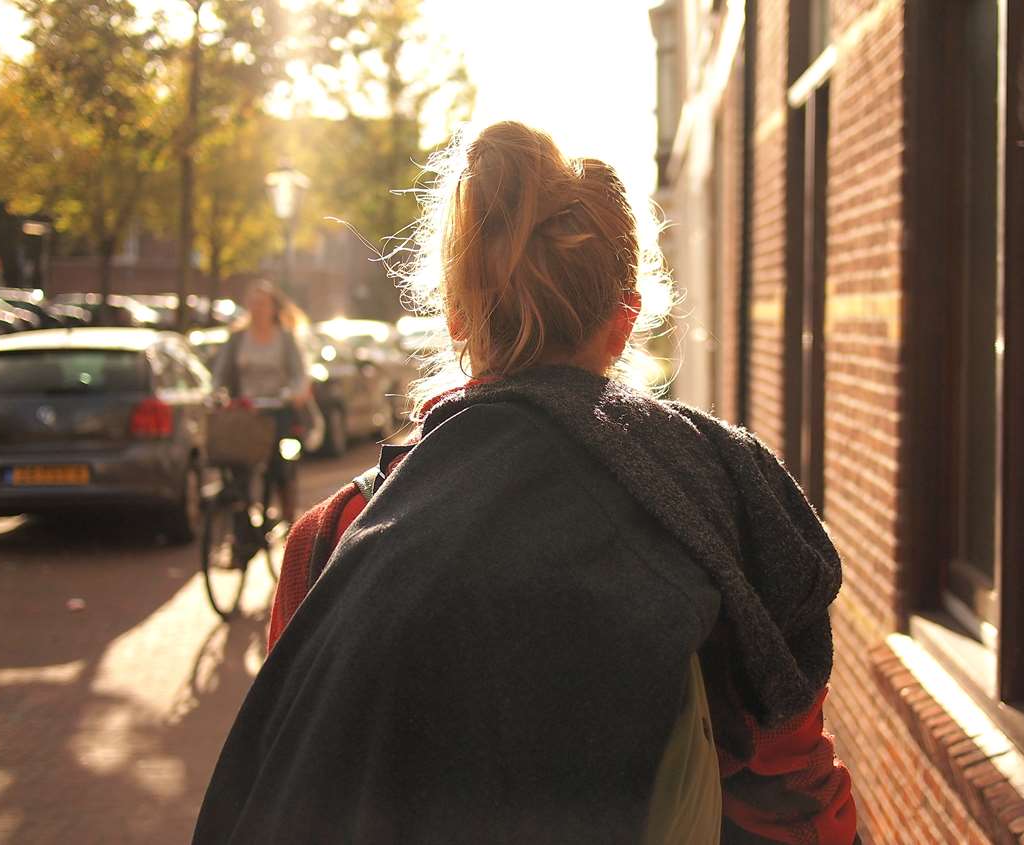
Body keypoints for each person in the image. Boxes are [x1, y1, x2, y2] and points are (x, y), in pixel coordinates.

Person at [194, 121, 857, 844]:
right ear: (625, 319)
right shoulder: (718, 489)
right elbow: (798, 792)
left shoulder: (331, 539)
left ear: (455, 316)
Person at [209, 280, 312, 523]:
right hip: (245, 412)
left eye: (263, 304)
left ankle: (288, 515)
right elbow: (220, 374)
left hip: (277, 410)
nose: (258, 309)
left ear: (273, 308)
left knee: (279, 463)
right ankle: (242, 516)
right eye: (254, 303)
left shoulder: (285, 339)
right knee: (237, 464)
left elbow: (300, 375)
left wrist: (293, 393)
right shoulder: (237, 339)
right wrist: (217, 395)